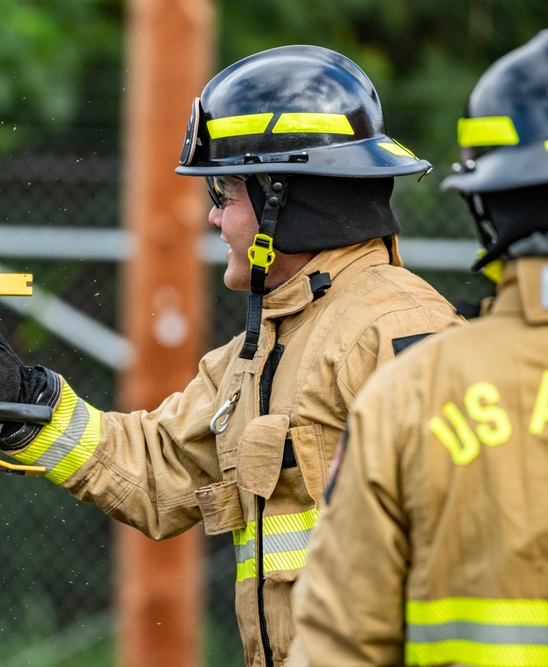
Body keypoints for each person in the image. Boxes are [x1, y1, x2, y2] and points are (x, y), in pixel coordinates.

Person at [0, 45, 464, 666]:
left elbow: (465, 544)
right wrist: (27, 402)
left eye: (225, 191)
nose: (212, 215)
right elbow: (158, 471)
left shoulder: (397, 327)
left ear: (280, 200)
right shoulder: (263, 348)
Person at [289, 31, 548, 667]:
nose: (212, 218)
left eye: (222, 196)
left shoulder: (414, 394)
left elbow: (338, 645)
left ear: (489, 204)